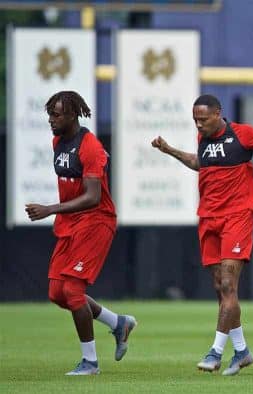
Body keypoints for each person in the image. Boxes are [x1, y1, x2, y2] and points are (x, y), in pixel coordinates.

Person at [151, 94, 253, 376]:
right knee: (220, 288)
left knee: (228, 285)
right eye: (195, 120)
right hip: (209, 218)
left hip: (238, 216)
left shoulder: (243, 134)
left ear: (218, 114)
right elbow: (201, 163)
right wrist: (169, 150)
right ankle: (241, 351)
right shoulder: (204, 139)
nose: (198, 125)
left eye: (203, 119)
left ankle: (215, 352)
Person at [25, 91, 137, 376]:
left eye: (57, 114)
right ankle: (118, 323)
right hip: (71, 223)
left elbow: (92, 197)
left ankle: (90, 362)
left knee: (73, 291)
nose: (51, 120)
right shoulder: (58, 142)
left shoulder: (90, 147)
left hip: (96, 221)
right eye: (50, 114)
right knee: (56, 292)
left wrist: (51, 208)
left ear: (73, 115)